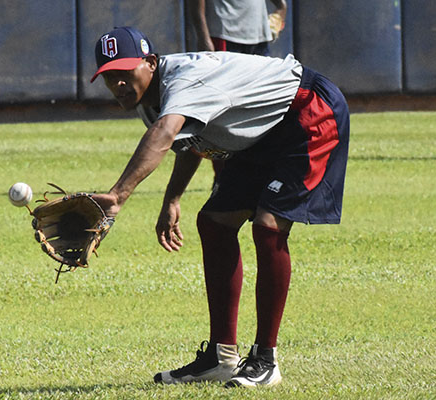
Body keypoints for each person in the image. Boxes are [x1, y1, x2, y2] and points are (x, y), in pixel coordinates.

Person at [87, 27, 349, 387]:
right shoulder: (151, 99)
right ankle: (222, 358)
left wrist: (117, 196)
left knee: (268, 225)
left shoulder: (184, 80)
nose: (118, 83)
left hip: (307, 112)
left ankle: (266, 360)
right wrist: (173, 198)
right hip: (262, 132)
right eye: (108, 76)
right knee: (214, 223)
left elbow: (166, 133)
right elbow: (191, 141)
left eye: (124, 72)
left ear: (150, 63)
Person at [189, 0, 288, 181]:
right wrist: (203, 37)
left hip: (259, 35)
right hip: (224, 33)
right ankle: (224, 177)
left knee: (262, 107)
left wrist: (282, 7)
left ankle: (259, 173)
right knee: (222, 112)